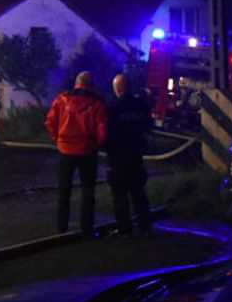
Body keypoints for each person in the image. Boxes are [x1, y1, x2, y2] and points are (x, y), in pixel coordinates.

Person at [45, 71, 108, 237]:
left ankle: (61, 229)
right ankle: (87, 229)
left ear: (76, 83)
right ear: (91, 85)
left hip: (65, 151)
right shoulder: (97, 104)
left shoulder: (62, 99)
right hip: (87, 152)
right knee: (88, 192)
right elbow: (102, 130)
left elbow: (50, 122)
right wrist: (96, 145)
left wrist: (57, 139)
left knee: (63, 191)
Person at [106, 73, 154, 237]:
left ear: (117, 89)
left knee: (120, 194)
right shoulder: (141, 105)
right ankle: (145, 226)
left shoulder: (112, 108)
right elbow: (149, 126)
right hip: (136, 154)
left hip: (117, 155)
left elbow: (106, 132)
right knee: (138, 191)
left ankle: (124, 229)